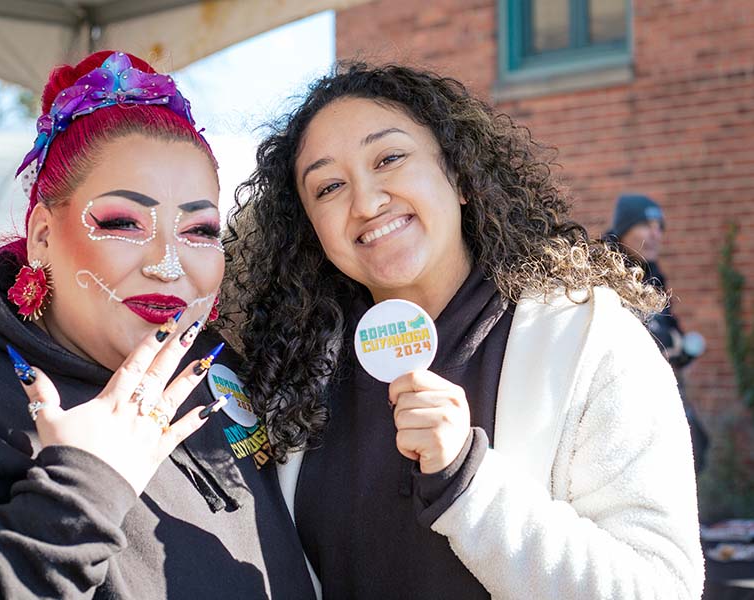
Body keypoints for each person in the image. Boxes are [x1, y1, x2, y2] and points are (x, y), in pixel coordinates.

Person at [225, 63, 704, 598]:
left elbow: (661, 587)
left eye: (389, 158)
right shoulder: (296, 375)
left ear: (459, 176)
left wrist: (469, 483)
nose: (365, 203)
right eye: (329, 186)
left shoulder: (591, 341)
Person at [0, 51, 313, 599]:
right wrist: (80, 493)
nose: (168, 264)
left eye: (199, 230)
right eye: (123, 222)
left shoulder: (214, 367)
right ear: (42, 236)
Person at [604, 193, 709, 472]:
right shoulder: (606, 276)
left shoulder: (653, 277)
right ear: (624, 229)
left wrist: (680, 350)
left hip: (661, 400)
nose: (655, 234)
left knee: (695, 449)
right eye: (645, 225)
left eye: (659, 227)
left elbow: (669, 330)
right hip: (624, 411)